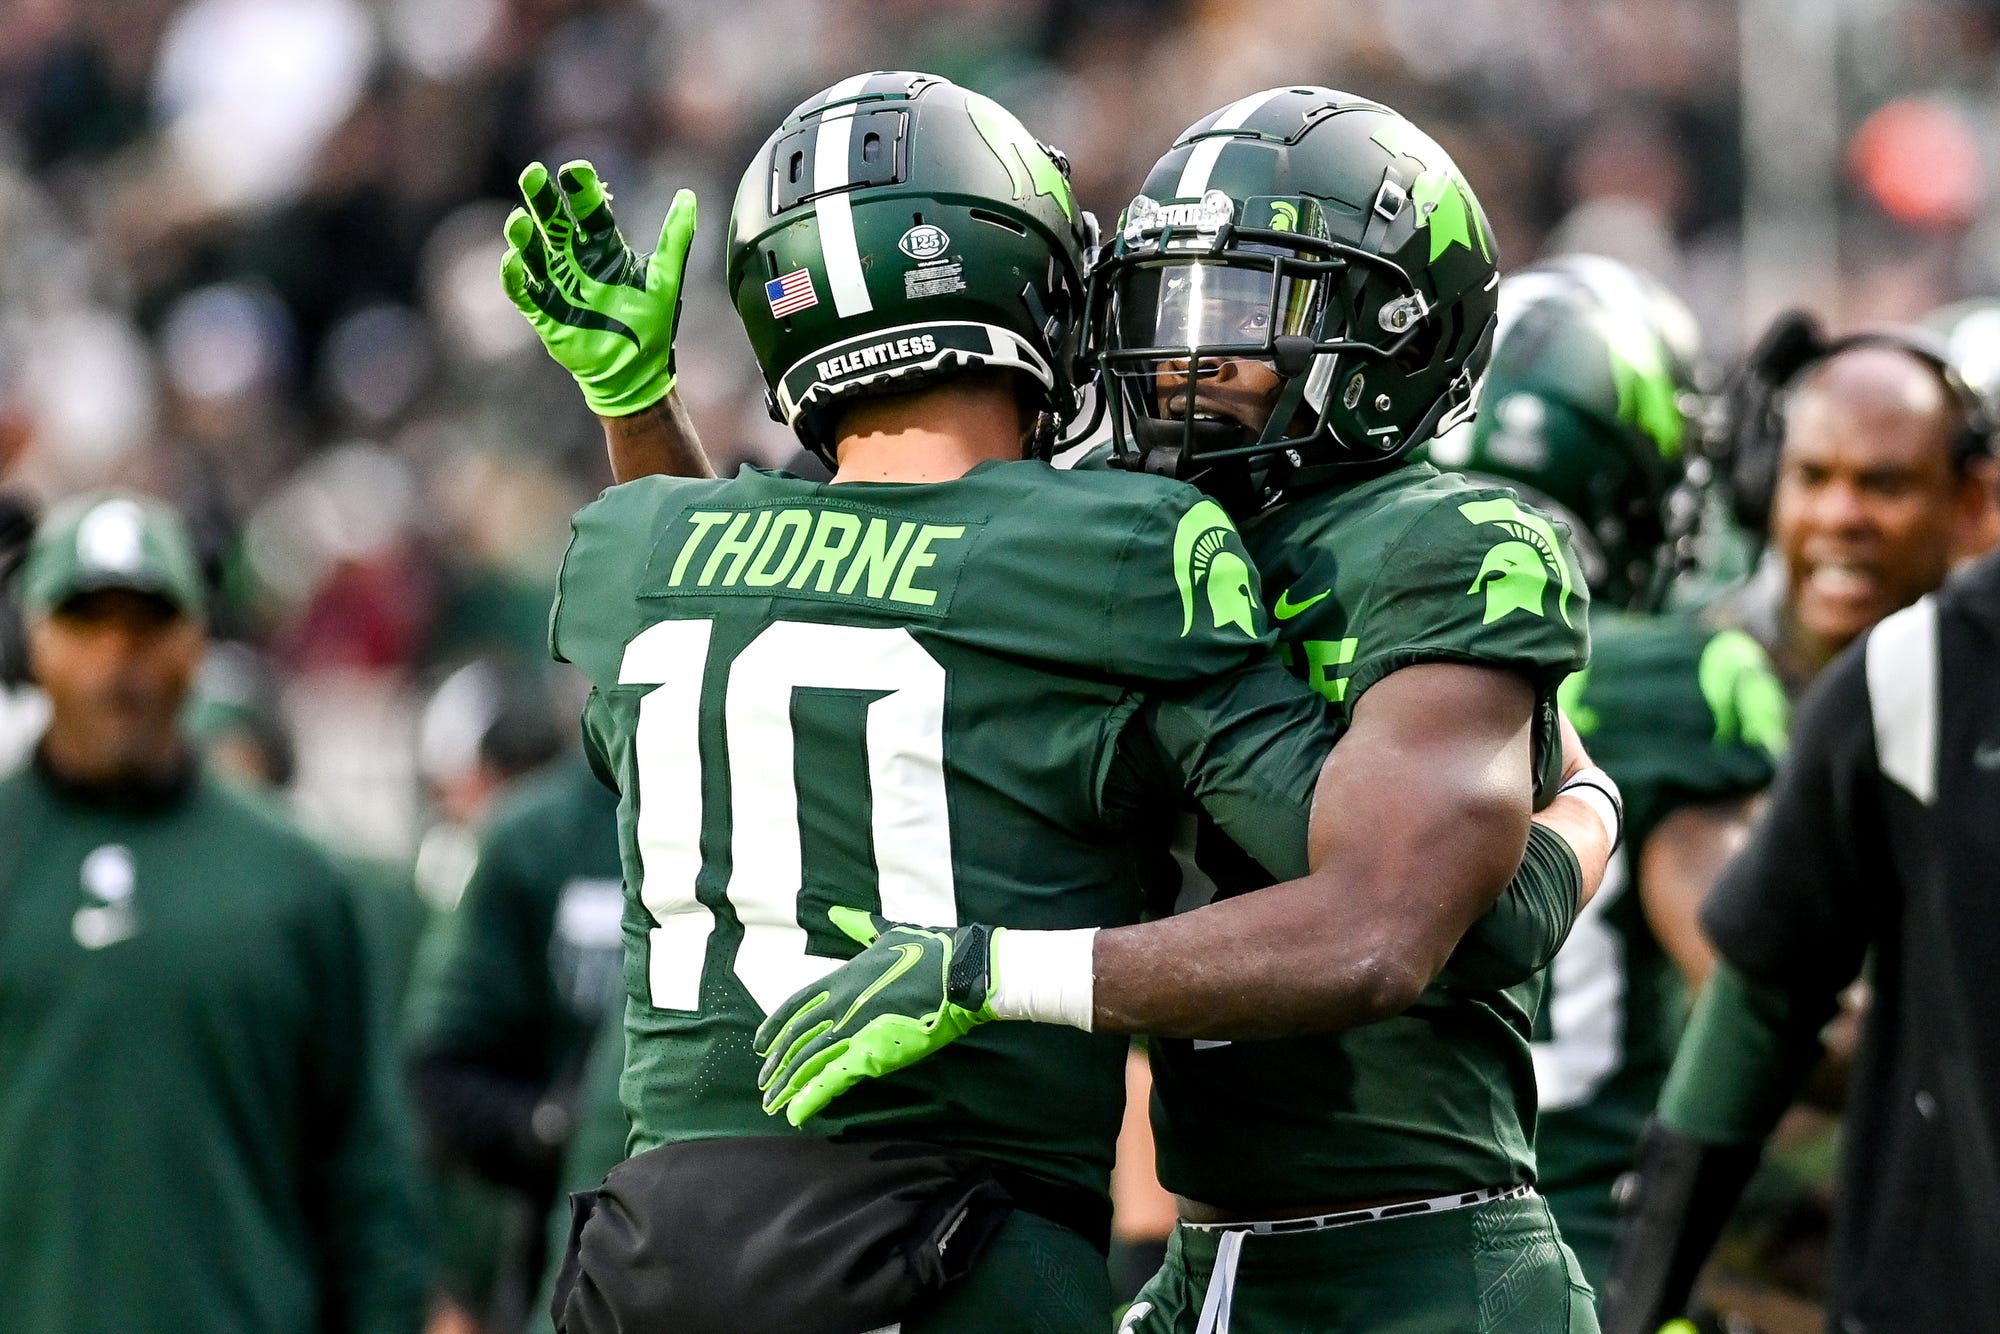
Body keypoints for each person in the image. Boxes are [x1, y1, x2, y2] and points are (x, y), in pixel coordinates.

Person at [500, 73, 1611, 1333]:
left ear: (1398, 335)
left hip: (1412, 1253)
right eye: (1159, 300)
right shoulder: (1116, 540)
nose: (1184, 353)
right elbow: (770, 618)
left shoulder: (1439, 538)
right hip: (1186, 1251)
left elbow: (1410, 927)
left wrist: (1582, 810)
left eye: (1242, 308)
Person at [1429, 265, 1789, 1294]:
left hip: (1336, 1250)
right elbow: (1745, 987)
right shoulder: (1675, 676)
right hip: (1586, 1249)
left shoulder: (1324, 634)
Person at [0, 491, 428, 1333]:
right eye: (88, 625)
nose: (118, 660)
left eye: (148, 627)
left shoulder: (296, 881)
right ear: (34, 641)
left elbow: (367, 1171)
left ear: (198, 641)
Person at [1600, 535, 2000, 1333]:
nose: (1842, 518)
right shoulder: (1920, 675)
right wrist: (1643, 1297)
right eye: (1813, 476)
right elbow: (1760, 994)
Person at [1714, 311, 1997, 697]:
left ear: (1969, 504)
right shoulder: (1688, 688)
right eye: (1812, 477)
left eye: (1885, 485)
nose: (1838, 517)